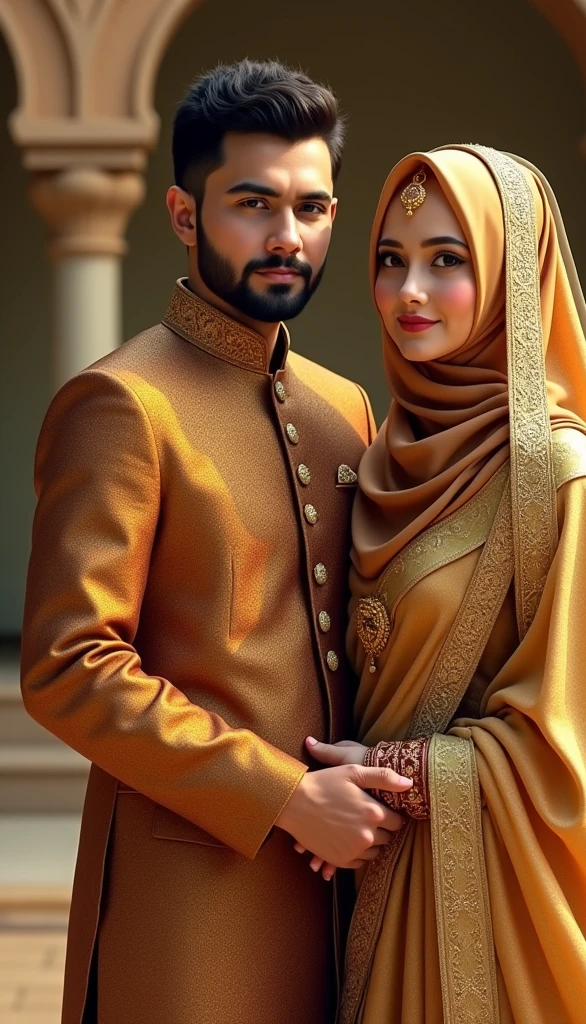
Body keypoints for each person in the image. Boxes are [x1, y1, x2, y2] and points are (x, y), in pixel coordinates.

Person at [20, 60, 413, 1024]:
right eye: (253, 204)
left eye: (313, 207)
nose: (289, 236)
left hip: (345, 884)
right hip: (189, 907)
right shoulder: (121, 404)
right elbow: (69, 666)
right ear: (185, 215)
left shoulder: (342, 407)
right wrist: (282, 795)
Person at [307, 145, 586, 1023]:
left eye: (449, 261)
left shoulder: (559, 476)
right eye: (390, 260)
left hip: (503, 924)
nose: (410, 291)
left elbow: (584, 755)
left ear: (516, 275)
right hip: (369, 890)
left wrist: (395, 770)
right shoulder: (374, 458)